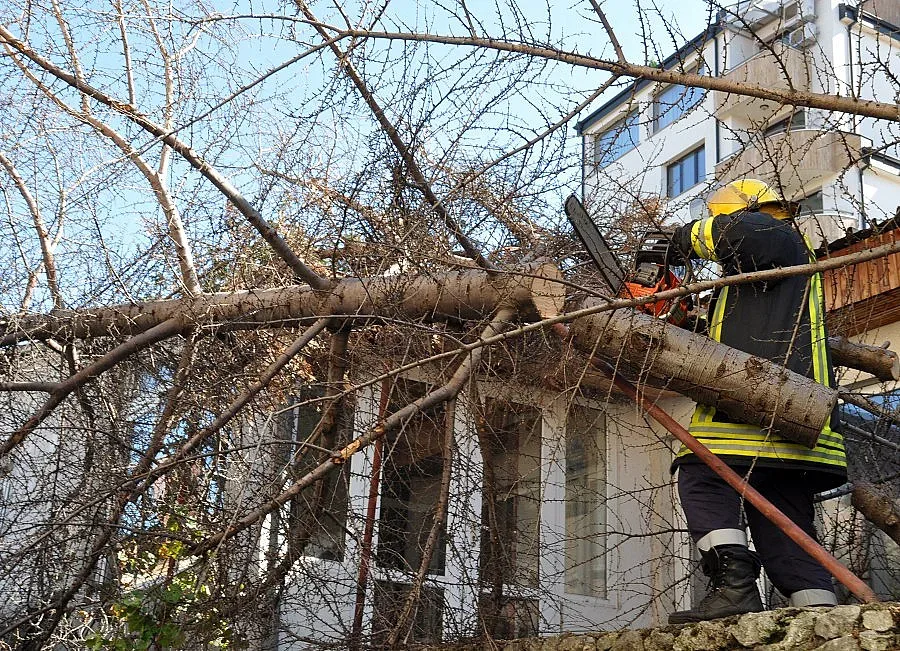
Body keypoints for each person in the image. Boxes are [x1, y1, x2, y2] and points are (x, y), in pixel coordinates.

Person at [666, 179, 848, 624]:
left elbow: (739, 233)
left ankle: (734, 586)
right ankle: (819, 616)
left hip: (767, 406)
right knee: (784, 520)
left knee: (700, 472)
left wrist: (679, 239)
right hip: (800, 429)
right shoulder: (766, 280)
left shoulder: (777, 236)